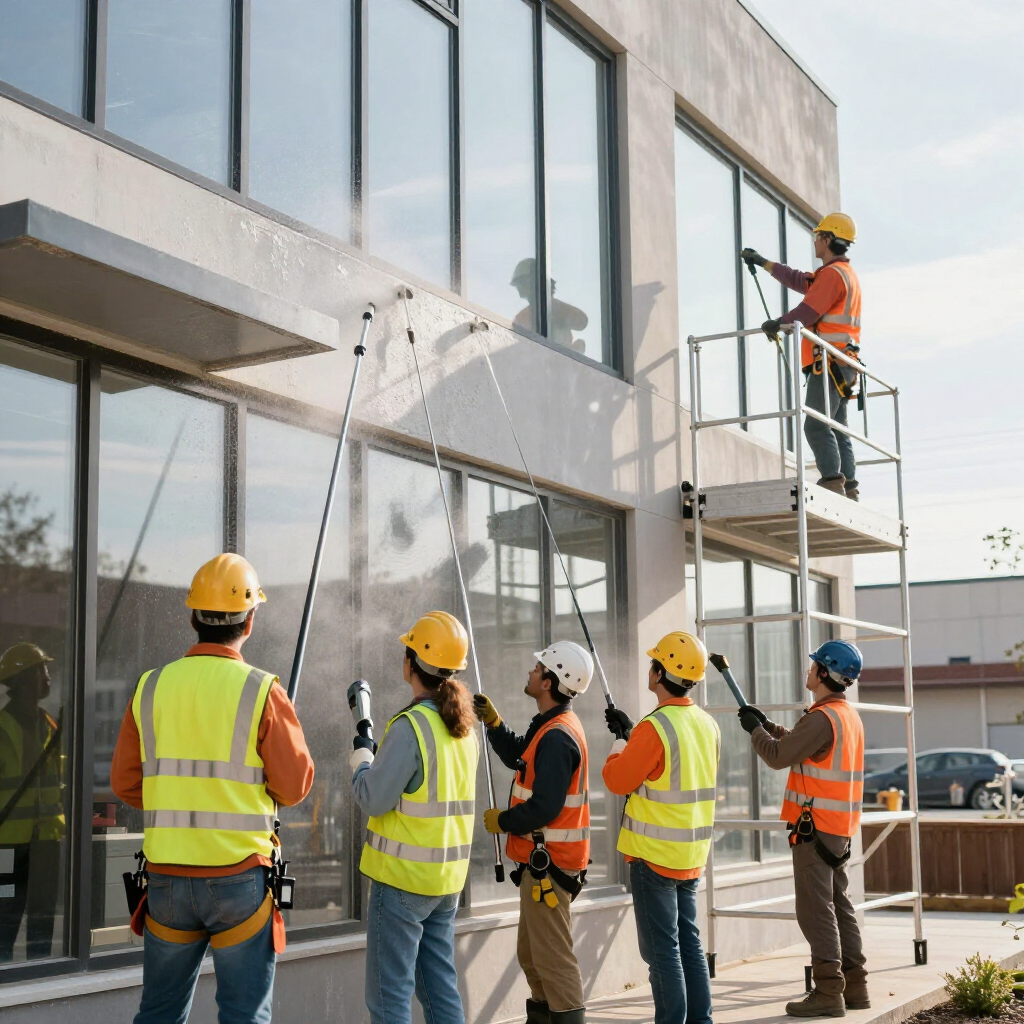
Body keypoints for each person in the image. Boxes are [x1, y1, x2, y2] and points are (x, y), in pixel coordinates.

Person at [111, 553, 314, 1024]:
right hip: (239, 878)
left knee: (159, 1013)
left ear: (192, 617)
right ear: (251, 620)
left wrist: (177, 801)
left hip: (166, 881)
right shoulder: (262, 690)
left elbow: (125, 782)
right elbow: (294, 786)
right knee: (243, 1015)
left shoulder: (151, 686)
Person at [351, 610, 479, 1024]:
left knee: (389, 999)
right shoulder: (462, 729)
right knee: (439, 989)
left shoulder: (411, 727)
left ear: (411, 663)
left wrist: (362, 758)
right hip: (444, 883)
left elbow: (372, 798)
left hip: (403, 883)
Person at [739, 639, 868, 1018]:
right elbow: (801, 745)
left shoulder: (821, 718)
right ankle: (856, 986)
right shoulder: (844, 715)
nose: (808, 670)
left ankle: (829, 992)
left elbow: (779, 756)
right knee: (840, 906)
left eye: (814, 666)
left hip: (814, 831)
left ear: (824, 673)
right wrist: (767, 725)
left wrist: (754, 733)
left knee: (815, 910)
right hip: (838, 829)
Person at [601, 631, 719, 1024]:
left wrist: (621, 744)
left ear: (659, 673)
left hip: (653, 858)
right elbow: (669, 767)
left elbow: (618, 781)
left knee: (662, 954)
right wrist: (633, 734)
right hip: (690, 855)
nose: (648, 669)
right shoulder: (706, 723)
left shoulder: (653, 728)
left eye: (653, 663)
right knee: (689, 945)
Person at [473, 641, 593, 1024]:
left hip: (550, 869)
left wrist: (504, 821)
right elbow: (520, 757)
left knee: (553, 961)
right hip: (541, 867)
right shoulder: (549, 728)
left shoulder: (558, 736)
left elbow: (545, 807)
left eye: (537, 667)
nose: (530, 671)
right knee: (533, 956)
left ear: (549, 681)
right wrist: (494, 725)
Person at [742, 213, 862, 500]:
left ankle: (833, 481)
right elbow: (799, 279)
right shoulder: (838, 274)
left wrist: (779, 324)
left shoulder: (833, 275)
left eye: (818, 236)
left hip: (830, 363)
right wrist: (763, 262)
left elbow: (809, 311)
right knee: (837, 426)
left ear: (829, 239)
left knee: (816, 424)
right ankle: (850, 488)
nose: (815, 241)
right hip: (842, 362)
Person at [0, 643, 64, 961]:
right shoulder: (1, 729)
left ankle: (39, 980)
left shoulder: (51, 726)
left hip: (45, 843)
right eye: (43, 670)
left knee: (41, 920)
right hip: (7, 846)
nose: (48, 676)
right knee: (4, 919)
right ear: (26, 679)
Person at [510, 258, 589, 353]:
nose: (519, 289)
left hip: (559, 359)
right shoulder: (522, 317)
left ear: (534, 280)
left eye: (522, 283)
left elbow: (581, 322)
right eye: (519, 284)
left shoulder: (553, 307)